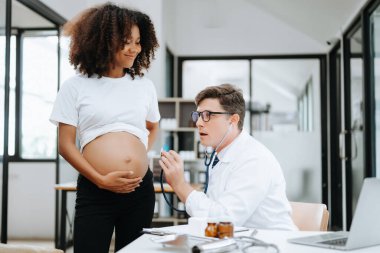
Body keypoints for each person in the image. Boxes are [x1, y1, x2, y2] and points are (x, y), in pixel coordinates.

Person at [50, 3, 160, 252]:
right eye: (126, 41)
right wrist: (100, 179)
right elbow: (65, 145)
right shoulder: (75, 86)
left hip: (139, 191)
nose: (134, 48)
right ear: (103, 40)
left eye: (138, 41)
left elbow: (152, 126)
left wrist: (137, 156)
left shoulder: (144, 86)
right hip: (96, 190)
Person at [160, 84, 297, 230]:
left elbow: (225, 220)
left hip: (273, 244)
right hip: (239, 241)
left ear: (233, 120)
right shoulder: (219, 154)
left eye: (208, 115)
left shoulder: (254, 159)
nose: (198, 123)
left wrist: (180, 185)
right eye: (198, 115)